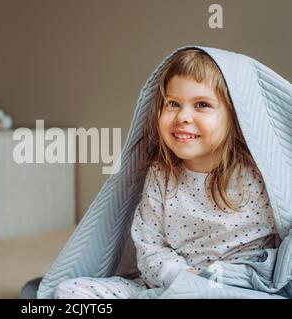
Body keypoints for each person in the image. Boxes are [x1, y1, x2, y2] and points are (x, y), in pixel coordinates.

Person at [53, 48, 278, 299]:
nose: (182, 116)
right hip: (168, 286)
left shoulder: (260, 176)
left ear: (237, 118)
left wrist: (209, 285)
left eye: (202, 105)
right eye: (173, 104)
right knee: (70, 292)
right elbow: (150, 247)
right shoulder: (162, 176)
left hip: (231, 289)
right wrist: (184, 280)